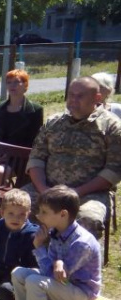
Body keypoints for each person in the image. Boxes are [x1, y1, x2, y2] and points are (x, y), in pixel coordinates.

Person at [6, 186, 102, 300]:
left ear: (63, 214)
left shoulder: (81, 243)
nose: (38, 216)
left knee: (35, 282)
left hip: (80, 293)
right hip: (63, 285)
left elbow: (57, 278)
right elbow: (49, 271)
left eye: (44, 212)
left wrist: (39, 248)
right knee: (18, 273)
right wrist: (53, 258)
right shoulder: (55, 232)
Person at [24, 76, 121, 238]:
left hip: (89, 194)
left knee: (88, 218)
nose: (74, 100)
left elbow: (113, 170)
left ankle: (74, 261)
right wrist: (44, 190)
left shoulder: (112, 127)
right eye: (71, 95)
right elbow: (36, 159)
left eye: (80, 96)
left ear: (97, 98)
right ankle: (23, 255)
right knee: (17, 205)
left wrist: (76, 192)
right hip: (48, 188)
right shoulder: (53, 123)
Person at [0, 69, 43, 185]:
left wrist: (10, 154)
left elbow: (34, 141)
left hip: (19, 157)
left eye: (17, 82)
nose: (12, 85)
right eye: (9, 82)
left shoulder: (34, 110)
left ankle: (0, 200)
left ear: (25, 85)